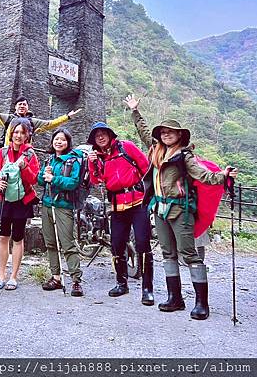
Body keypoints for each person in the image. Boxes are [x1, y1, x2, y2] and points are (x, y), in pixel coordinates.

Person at [125, 93, 238, 320]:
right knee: (168, 253)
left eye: (170, 132)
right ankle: (175, 298)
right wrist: (135, 111)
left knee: (190, 254)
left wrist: (223, 176)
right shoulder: (156, 150)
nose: (165, 134)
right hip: (160, 210)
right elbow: (144, 132)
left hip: (180, 210)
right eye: (163, 132)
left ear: (179, 136)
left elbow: (203, 175)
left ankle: (201, 303)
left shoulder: (185, 157)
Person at [87, 121, 153, 304]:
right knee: (117, 244)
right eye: (96, 135)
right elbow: (96, 180)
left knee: (142, 242)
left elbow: (146, 168)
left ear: (110, 134)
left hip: (138, 202)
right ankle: (121, 283)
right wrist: (92, 164)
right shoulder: (98, 157)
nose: (100, 137)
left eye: (103, 133)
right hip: (117, 205)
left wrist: (151, 197)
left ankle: (147, 289)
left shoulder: (126, 147)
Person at [0, 117, 40, 290]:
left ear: (27, 136)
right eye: (15, 132)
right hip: (4, 199)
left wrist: (25, 167)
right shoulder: (2, 153)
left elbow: (34, 179)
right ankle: (1, 275)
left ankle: (13, 276)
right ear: (11, 134)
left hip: (22, 200)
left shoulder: (31, 155)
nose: (18, 135)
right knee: (3, 236)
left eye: (22, 133)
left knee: (18, 237)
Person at [38, 128, 84, 297]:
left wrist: (54, 179)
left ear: (68, 142)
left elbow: (73, 183)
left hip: (63, 206)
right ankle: (56, 277)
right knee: (51, 243)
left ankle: (76, 281)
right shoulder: (49, 160)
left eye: (62, 140)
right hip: (47, 205)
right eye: (56, 139)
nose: (59, 142)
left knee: (67, 243)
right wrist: (44, 175)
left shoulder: (72, 161)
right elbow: (40, 182)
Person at [0, 83, 82, 145]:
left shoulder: (32, 122)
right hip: (8, 152)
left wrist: (67, 117)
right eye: (19, 104)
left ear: (28, 107)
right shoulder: (9, 118)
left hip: (25, 153)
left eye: (24, 105)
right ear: (15, 107)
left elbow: (50, 124)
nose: (22, 106)